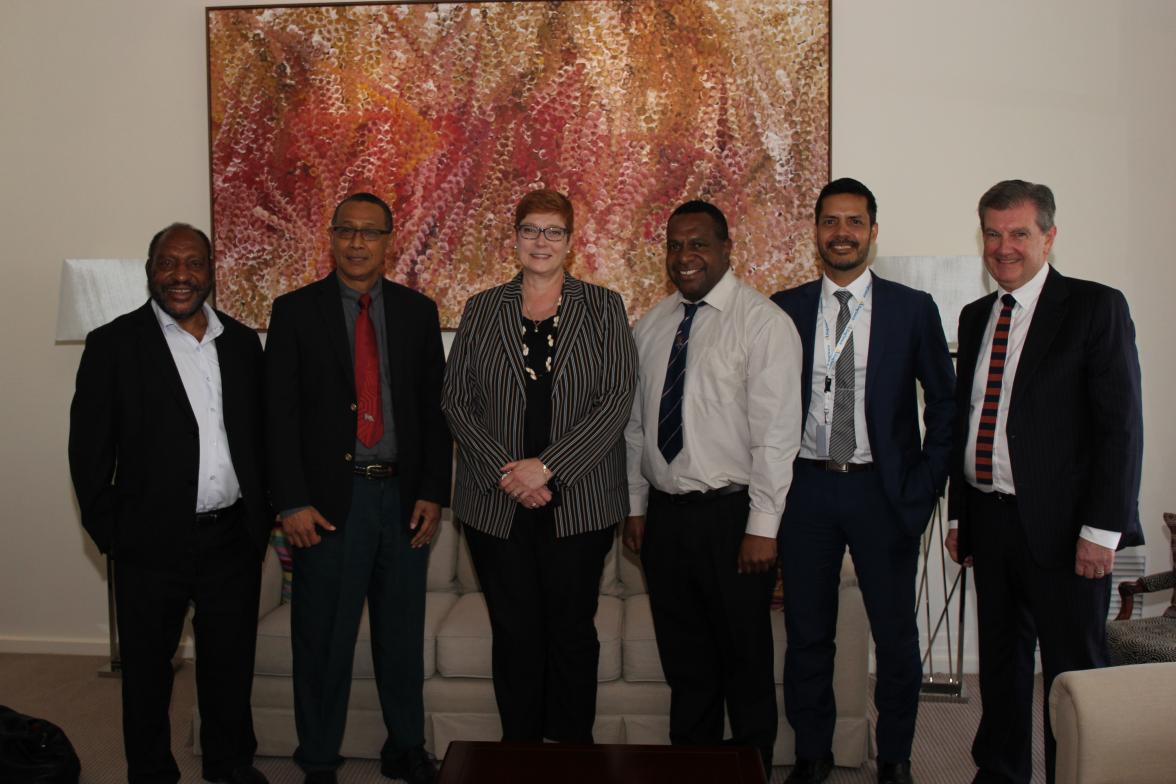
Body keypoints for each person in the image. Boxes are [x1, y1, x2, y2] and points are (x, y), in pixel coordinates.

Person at [946, 180, 1143, 784]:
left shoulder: (1094, 307)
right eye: (993, 233)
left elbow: (1121, 429)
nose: (1004, 247)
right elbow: (967, 418)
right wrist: (961, 515)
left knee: (1071, 674)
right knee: (1002, 667)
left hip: (1068, 530)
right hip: (993, 521)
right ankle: (1001, 773)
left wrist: (1102, 532)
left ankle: (1079, 775)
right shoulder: (977, 315)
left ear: (1049, 237)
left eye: (1019, 234)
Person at [69, 223, 270, 784]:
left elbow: (260, 437)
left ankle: (229, 763)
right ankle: (151, 771)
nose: (181, 275)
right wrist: (114, 534)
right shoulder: (113, 344)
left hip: (232, 536)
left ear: (211, 270)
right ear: (150, 269)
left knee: (229, 663)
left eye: (194, 263)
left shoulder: (242, 342)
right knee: (148, 670)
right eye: (168, 263)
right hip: (148, 540)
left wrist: (265, 513)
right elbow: (87, 453)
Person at [771, 179, 955, 784]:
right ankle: (812, 755)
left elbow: (945, 406)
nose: (841, 233)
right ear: (816, 231)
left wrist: (925, 484)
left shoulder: (912, 308)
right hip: (807, 490)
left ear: (873, 231)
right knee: (808, 637)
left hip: (883, 491)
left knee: (897, 639)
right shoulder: (786, 308)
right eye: (830, 221)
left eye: (854, 222)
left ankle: (896, 757)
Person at [265, 193, 452, 784]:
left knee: (400, 640)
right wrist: (291, 501)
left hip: (400, 502)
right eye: (346, 230)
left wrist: (432, 492)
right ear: (331, 236)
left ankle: (404, 749)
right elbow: (278, 416)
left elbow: (433, 411)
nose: (356, 243)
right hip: (326, 507)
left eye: (370, 233)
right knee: (322, 641)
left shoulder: (418, 313)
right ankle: (318, 757)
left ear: (389, 240)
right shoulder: (295, 311)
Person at [442, 188, 637, 743]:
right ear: (515, 239)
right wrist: (513, 475)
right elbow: (456, 402)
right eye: (531, 230)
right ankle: (521, 753)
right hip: (496, 505)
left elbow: (617, 399)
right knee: (515, 631)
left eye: (554, 231)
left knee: (572, 632)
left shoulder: (604, 307)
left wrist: (546, 467)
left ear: (571, 242)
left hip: (579, 503)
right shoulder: (482, 309)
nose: (541, 242)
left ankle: (573, 752)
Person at [623, 200, 803, 775]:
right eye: (674, 245)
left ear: (727, 248)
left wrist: (763, 528)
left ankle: (751, 768)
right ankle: (691, 768)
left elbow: (777, 437)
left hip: (734, 519)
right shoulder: (651, 325)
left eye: (698, 243)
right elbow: (634, 428)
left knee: (745, 659)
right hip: (667, 520)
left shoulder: (764, 324)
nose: (685, 256)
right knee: (686, 661)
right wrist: (635, 504)